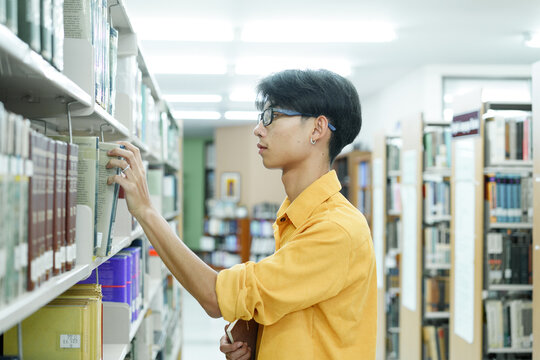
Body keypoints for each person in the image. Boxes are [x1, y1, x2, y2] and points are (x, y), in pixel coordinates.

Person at [107, 69, 377, 360]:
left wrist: (146, 211)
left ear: (317, 129)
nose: (258, 129)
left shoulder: (336, 229)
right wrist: (257, 335)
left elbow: (214, 297)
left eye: (271, 115)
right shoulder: (297, 216)